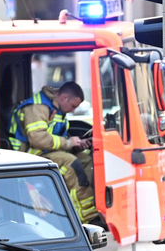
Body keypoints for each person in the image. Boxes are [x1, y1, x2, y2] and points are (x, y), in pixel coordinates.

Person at [8, 81, 101, 225]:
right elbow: (38, 139)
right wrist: (68, 143)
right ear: (64, 97)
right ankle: (88, 218)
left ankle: (87, 207)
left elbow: (55, 136)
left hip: (45, 152)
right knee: (71, 163)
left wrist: (76, 145)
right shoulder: (38, 107)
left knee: (86, 159)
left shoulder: (56, 108)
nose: (73, 111)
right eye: (73, 106)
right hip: (28, 155)